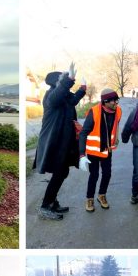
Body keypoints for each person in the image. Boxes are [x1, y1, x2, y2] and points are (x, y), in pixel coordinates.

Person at [34, 63, 87, 220]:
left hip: (64, 142)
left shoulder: (64, 97)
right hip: (54, 143)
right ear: (57, 83)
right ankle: (45, 206)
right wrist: (69, 79)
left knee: (62, 172)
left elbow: (73, 99)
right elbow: (58, 95)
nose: (67, 83)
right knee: (59, 173)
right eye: (63, 80)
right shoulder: (51, 96)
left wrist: (82, 89)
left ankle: (52, 202)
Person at [79, 88, 121, 212]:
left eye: (116, 100)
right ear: (105, 102)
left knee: (107, 174)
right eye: (112, 101)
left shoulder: (118, 111)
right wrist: (82, 155)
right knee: (94, 175)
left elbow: (114, 128)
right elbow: (83, 133)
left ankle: (102, 195)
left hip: (107, 150)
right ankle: (89, 198)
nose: (115, 103)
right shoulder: (94, 112)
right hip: (93, 151)